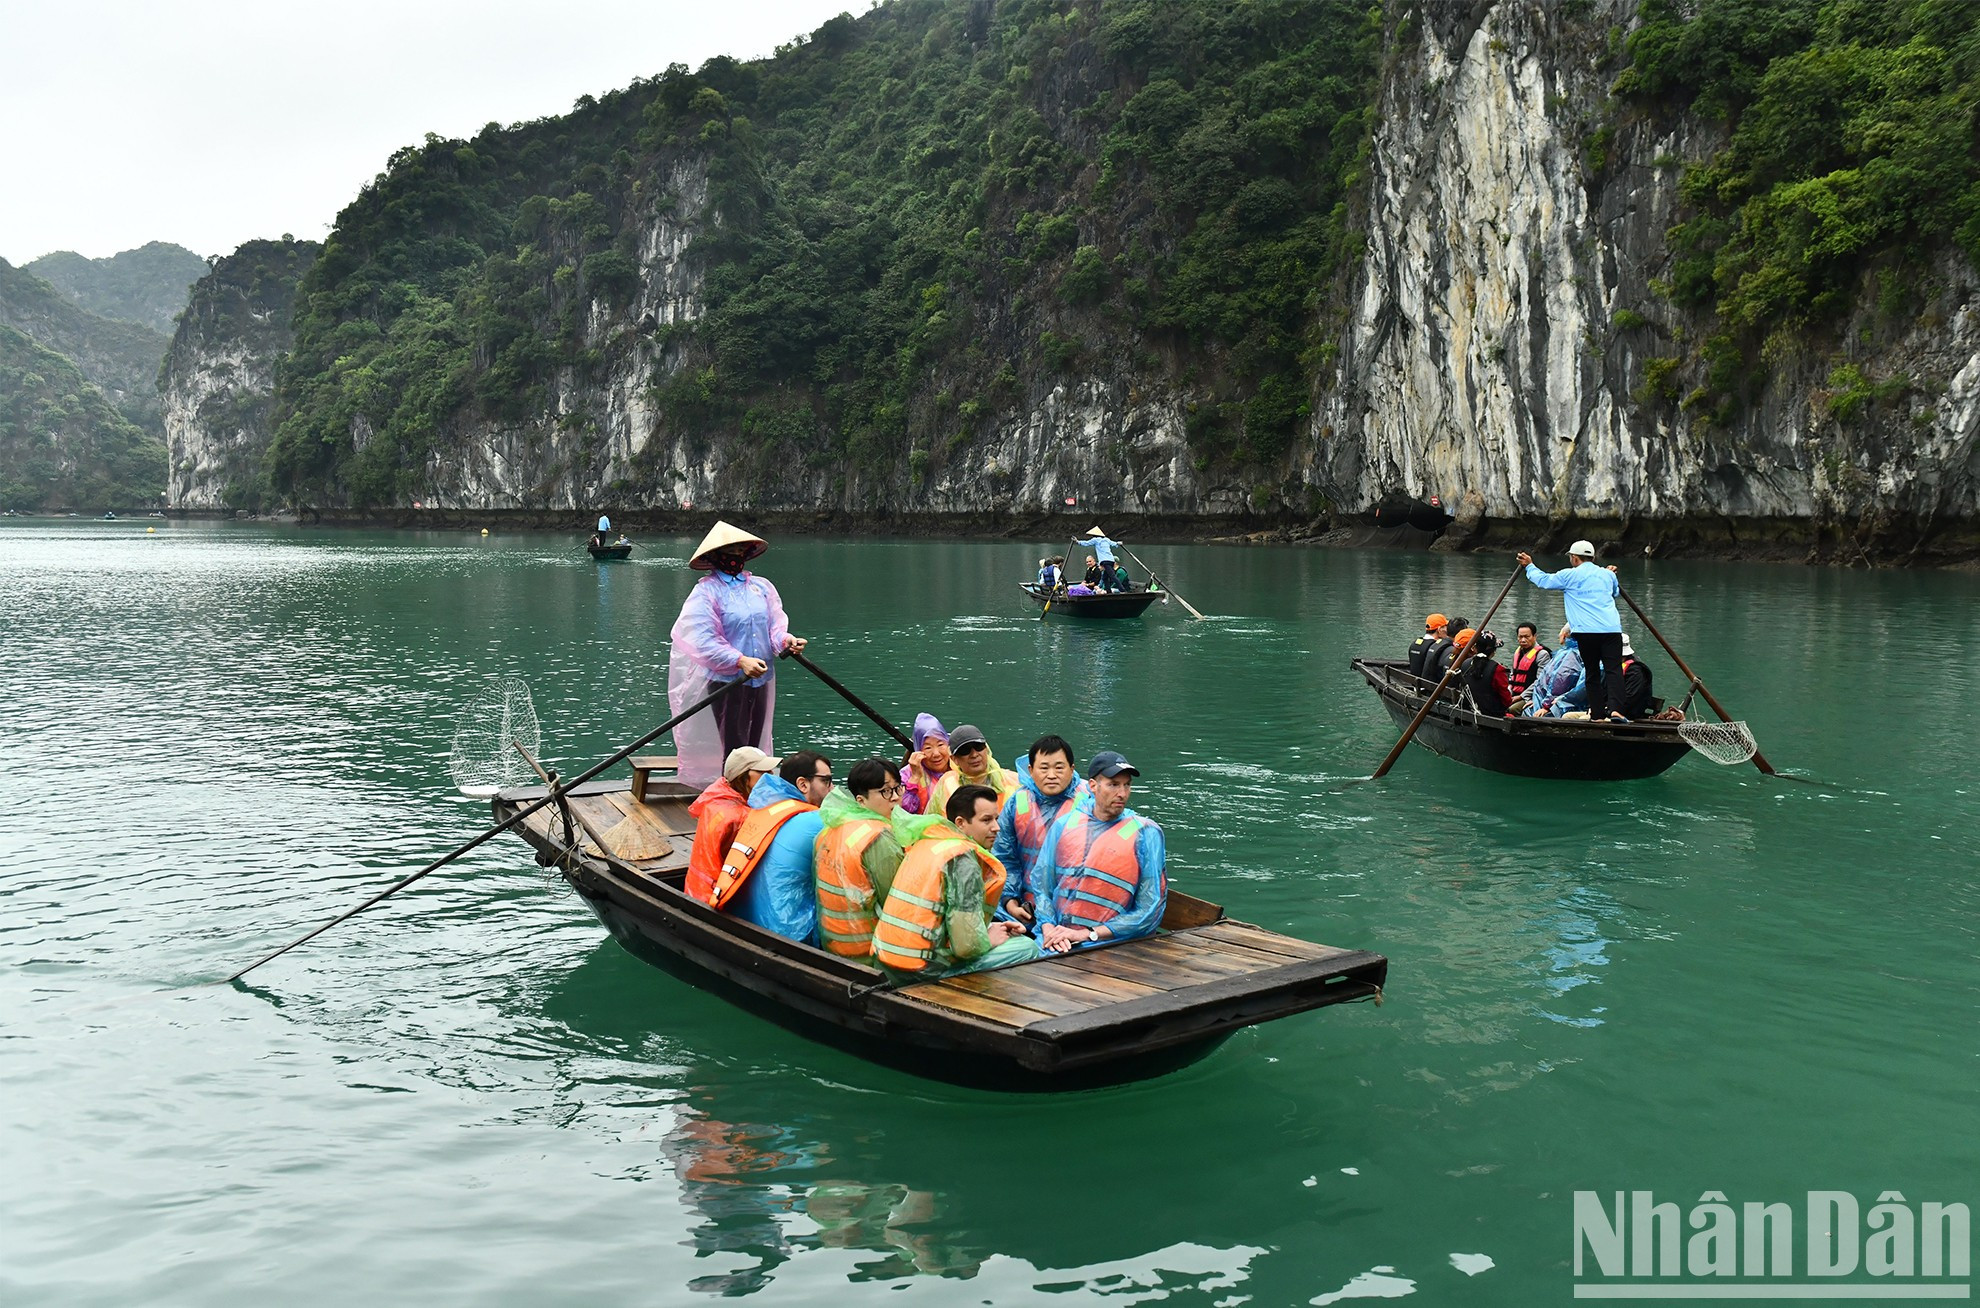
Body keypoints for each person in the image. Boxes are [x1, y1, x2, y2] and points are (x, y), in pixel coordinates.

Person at [668, 522, 808, 787]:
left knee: (755, 745)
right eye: (729, 551)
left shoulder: (761, 588)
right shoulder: (706, 591)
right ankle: (731, 794)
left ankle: (754, 794)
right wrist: (739, 660)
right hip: (728, 682)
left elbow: (774, 627)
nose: (735, 555)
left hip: (761, 677)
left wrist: (787, 641)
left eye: (739, 550)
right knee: (734, 748)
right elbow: (702, 639)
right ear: (716, 556)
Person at [874, 784, 1041, 980]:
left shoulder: (928, 842)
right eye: (986, 820)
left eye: (996, 819)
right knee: (1027, 947)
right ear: (960, 823)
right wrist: (988, 940)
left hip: (885, 961)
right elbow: (966, 948)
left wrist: (990, 930)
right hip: (920, 973)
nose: (996, 827)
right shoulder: (963, 861)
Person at [1034, 751, 1167, 954]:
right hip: (1057, 937)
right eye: (1113, 785)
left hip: (1112, 943)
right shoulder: (1065, 824)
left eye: (1127, 785)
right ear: (1093, 786)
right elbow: (1043, 886)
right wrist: (1048, 928)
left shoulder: (1146, 833)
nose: (1122, 793)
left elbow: (1149, 908)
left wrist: (1089, 934)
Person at [712, 750, 833, 944]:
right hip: (788, 934)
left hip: (744, 918)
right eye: (826, 781)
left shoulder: (760, 809)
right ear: (803, 784)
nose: (833, 788)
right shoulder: (815, 821)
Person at [1517, 542, 1626, 723]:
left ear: (1574, 558)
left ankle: (1598, 715)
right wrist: (1608, 575)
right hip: (1611, 629)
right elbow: (1614, 593)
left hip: (1587, 632)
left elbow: (1544, 581)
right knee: (1614, 670)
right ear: (1593, 558)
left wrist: (1529, 566)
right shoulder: (1608, 575)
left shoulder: (1569, 575)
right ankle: (1616, 711)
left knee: (1592, 672)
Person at [813, 757, 909, 962]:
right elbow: (897, 905)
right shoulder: (879, 839)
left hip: (833, 945)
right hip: (869, 954)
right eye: (885, 791)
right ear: (861, 800)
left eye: (897, 788)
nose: (895, 797)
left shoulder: (830, 830)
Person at [990, 734, 1089, 924]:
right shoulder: (1017, 802)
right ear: (1031, 770)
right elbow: (1005, 857)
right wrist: (1010, 901)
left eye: (1059, 767)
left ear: (1072, 769)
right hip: (1028, 908)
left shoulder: (1090, 800)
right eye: (1044, 768)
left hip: (1077, 910)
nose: (1051, 775)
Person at [686, 746, 778, 903]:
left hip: (696, 888)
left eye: (770, 770)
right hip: (715, 897)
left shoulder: (716, 798)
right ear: (742, 776)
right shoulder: (738, 818)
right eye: (762, 771)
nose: (771, 775)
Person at [926, 724, 1020, 819]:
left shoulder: (1014, 781)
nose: (974, 755)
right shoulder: (946, 783)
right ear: (954, 759)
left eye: (979, 747)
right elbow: (931, 821)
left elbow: (1025, 819)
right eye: (965, 750)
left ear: (986, 749)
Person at [899, 713, 950, 815]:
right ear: (919, 750)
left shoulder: (960, 766)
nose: (936, 754)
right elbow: (902, 814)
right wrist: (914, 778)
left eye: (940, 745)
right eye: (928, 748)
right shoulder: (906, 774)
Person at [1457, 629, 1513, 715]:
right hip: (1492, 715)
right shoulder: (1498, 669)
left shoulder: (1465, 663)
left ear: (1475, 648)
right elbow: (1507, 701)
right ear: (1493, 652)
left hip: (1467, 711)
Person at [1506, 622, 1551, 697]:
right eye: (1520, 637)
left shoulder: (1542, 654)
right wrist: (1508, 692)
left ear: (1535, 636)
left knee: (1512, 706)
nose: (1523, 640)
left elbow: (1540, 681)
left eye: (1527, 637)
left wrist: (1520, 697)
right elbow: (1513, 675)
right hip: (1514, 693)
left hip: (1531, 696)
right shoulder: (1518, 652)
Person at [1618, 636, 1655, 719]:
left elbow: (1630, 698)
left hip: (1630, 714)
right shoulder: (1617, 666)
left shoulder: (1635, 671)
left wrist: (1609, 711)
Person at [1407, 614, 1450, 678]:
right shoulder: (1435, 647)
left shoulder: (1415, 643)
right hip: (1428, 683)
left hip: (1414, 681)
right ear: (1439, 629)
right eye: (1446, 626)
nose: (1448, 630)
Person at [1083, 526, 1124, 591]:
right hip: (1111, 560)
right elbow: (1114, 544)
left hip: (1105, 561)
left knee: (1112, 576)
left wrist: (1077, 541)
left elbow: (1086, 543)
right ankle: (1108, 591)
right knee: (1105, 578)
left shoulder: (1095, 540)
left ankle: (1122, 590)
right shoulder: (1106, 540)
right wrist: (1118, 543)